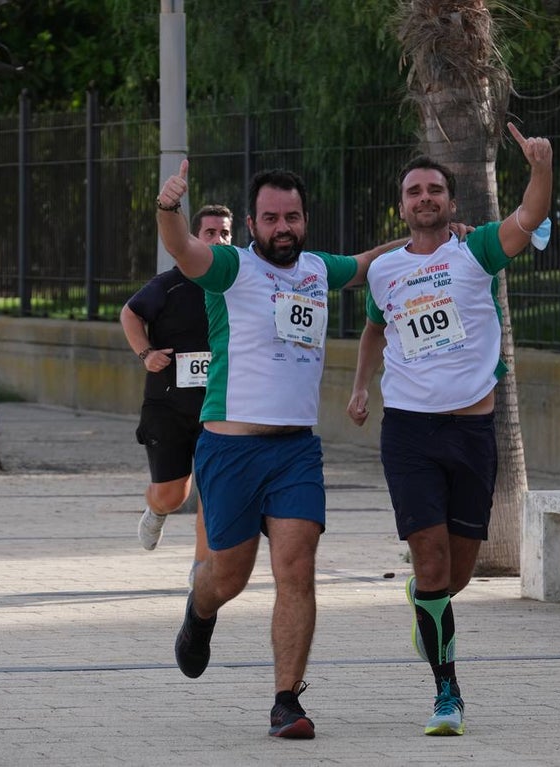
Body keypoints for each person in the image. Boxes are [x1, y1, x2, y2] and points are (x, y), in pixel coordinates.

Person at [154, 160, 407, 740]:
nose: (282, 227)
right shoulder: (229, 266)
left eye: (292, 216)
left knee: (297, 570)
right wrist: (168, 210)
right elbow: (183, 251)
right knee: (229, 577)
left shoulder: (318, 269)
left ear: (304, 219)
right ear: (252, 222)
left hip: (296, 452)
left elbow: (369, 264)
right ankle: (199, 610)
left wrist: (431, 238)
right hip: (230, 449)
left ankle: (286, 701)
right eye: (271, 218)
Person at [346, 122, 553, 736]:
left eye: (434, 190)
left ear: (451, 202)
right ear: (402, 205)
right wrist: (361, 384)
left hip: (473, 433)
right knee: (433, 566)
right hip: (408, 432)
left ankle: (426, 601)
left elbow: (527, 217)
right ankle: (447, 694)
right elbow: (376, 328)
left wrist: (540, 167)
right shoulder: (384, 271)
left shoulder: (476, 249)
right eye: (414, 192)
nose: (425, 199)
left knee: (455, 576)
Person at [121, 204, 233, 584]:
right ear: (194, 238)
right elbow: (130, 314)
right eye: (211, 233)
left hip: (218, 407)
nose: (219, 240)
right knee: (172, 494)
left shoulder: (236, 283)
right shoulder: (169, 284)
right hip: (168, 406)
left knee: (213, 493)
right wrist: (146, 354)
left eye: (226, 233)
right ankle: (155, 511)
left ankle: (201, 570)